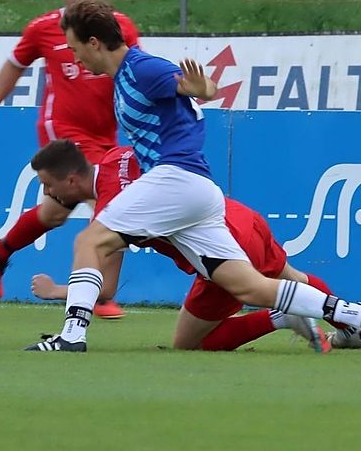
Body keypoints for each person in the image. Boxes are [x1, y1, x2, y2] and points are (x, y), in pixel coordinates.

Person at [26, 0, 361, 356]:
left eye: (75, 48)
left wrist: (200, 89)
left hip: (176, 179)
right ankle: (355, 314)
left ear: (94, 43)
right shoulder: (126, 77)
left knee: (89, 242)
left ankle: (71, 336)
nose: (74, 58)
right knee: (250, 287)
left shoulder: (140, 68)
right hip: (198, 191)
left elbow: (197, 88)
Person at [24, 140, 336, 353]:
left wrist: (56, 290)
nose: (48, 194)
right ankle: (357, 322)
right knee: (294, 276)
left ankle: (282, 317)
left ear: (72, 180)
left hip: (215, 243)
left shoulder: (112, 211)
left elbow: (106, 289)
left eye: (48, 185)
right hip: (240, 216)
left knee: (189, 343)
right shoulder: (118, 155)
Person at [0, 0, 140, 318]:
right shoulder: (44, 28)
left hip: (105, 134)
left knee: (54, 214)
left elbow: (135, 71)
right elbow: (15, 66)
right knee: (109, 202)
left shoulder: (121, 27)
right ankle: (101, 294)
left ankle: (0, 250)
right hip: (63, 131)